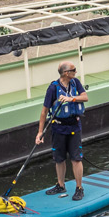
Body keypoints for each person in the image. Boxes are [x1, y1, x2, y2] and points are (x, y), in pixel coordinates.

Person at [35, 60, 88, 201]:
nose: (75, 72)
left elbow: (85, 97)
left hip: (74, 126)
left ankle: (79, 188)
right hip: (58, 127)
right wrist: (40, 132)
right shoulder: (53, 88)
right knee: (59, 159)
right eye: (73, 70)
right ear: (66, 73)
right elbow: (44, 111)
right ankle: (60, 185)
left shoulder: (75, 83)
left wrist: (71, 99)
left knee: (76, 158)